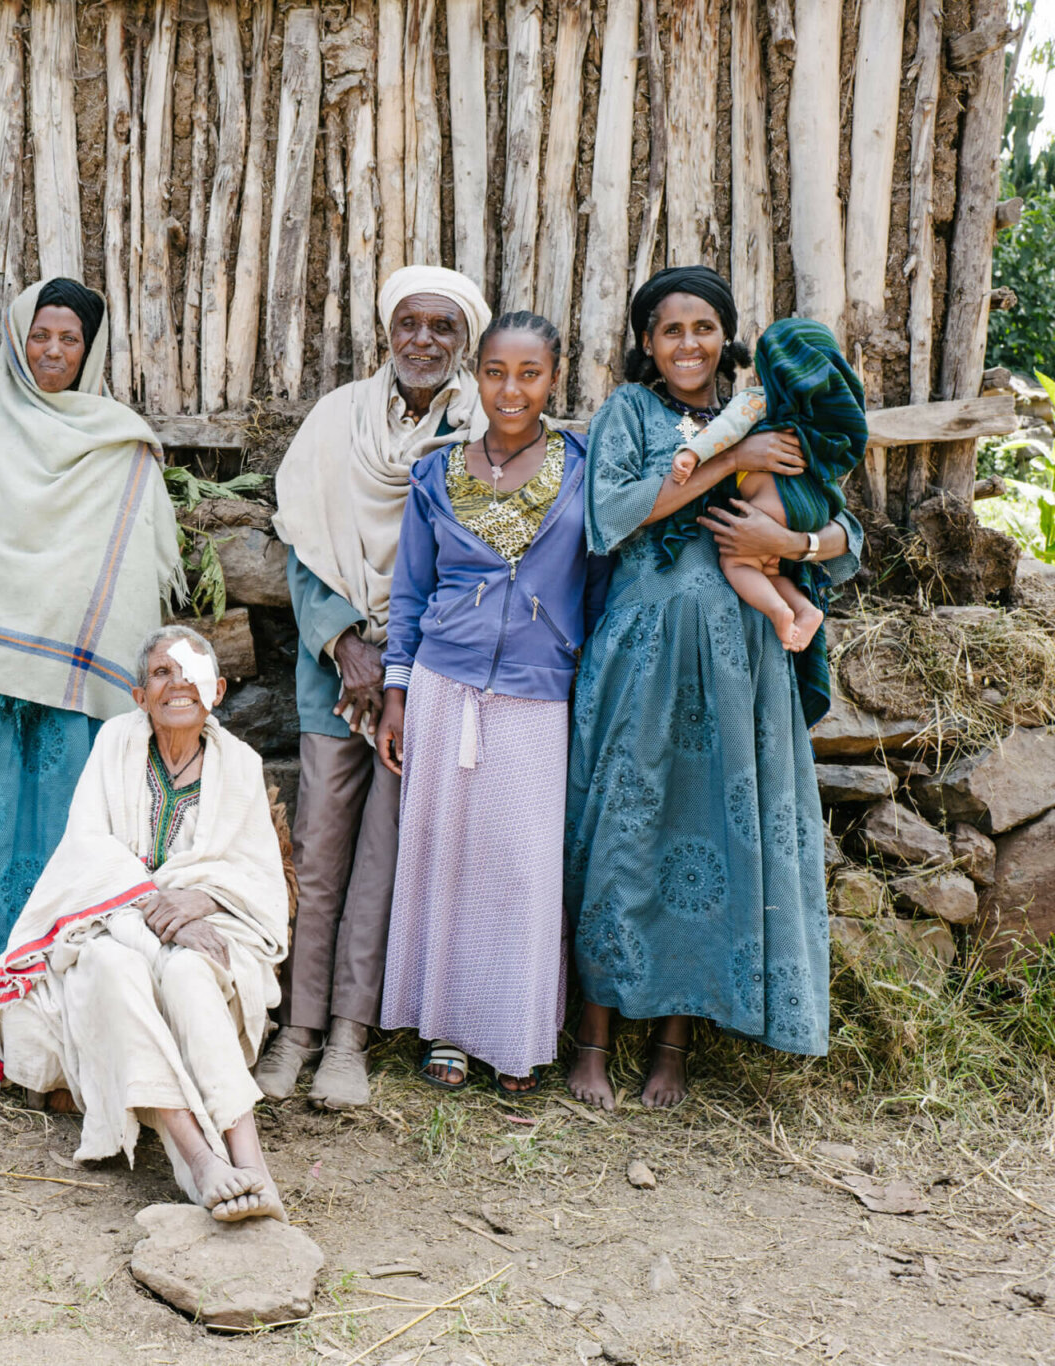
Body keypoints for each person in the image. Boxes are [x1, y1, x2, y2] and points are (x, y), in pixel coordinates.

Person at [566, 267, 864, 1108]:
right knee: (623, 833)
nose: (688, 344)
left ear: (726, 337)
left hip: (740, 665)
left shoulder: (772, 409)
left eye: (704, 328)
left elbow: (848, 531)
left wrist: (788, 541)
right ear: (648, 345)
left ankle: (673, 1046)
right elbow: (614, 513)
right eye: (669, 330)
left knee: (710, 840)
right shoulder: (629, 415)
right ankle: (591, 1039)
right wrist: (733, 460)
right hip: (641, 655)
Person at [0, 278, 184, 972]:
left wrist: (54, 615)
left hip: (70, 672)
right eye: (40, 335)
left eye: (70, 339)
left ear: (91, 350)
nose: (53, 351)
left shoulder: (120, 441)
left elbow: (125, 570)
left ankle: (58, 944)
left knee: (64, 809)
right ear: (19, 341)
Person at [256, 265, 493, 1108]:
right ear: (386, 332)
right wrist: (345, 645)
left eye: (442, 328)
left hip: (427, 677)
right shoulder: (337, 421)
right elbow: (304, 541)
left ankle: (351, 1040)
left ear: (463, 341)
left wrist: (399, 663)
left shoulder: (480, 430)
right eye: (409, 325)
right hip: (335, 675)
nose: (423, 342)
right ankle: (296, 1034)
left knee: (385, 861)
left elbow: (477, 566)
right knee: (319, 857)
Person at [0, 626, 291, 1222]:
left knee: (191, 974)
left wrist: (201, 901)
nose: (178, 682)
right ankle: (197, 1159)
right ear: (141, 697)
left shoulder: (240, 765)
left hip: (208, 925)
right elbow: (86, 848)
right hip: (116, 920)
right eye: (162, 673)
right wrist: (151, 904)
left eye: (191, 671)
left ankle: (252, 1162)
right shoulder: (116, 742)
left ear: (216, 690)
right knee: (113, 967)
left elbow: (257, 877)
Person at [372, 312, 610, 1095]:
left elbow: (600, 587)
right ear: (477, 375)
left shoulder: (582, 469)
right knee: (444, 859)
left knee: (520, 866)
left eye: (530, 374)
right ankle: (444, 1026)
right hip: (444, 686)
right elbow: (409, 593)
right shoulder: (436, 475)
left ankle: (512, 1031)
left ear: (555, 377)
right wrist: (398, 692)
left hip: (538, 695)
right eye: (498, 373)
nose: (513, 390)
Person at [665, 318, 867, 704]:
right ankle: (805, 609)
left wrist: (693, 453)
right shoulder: (828, 419)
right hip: (812, 509)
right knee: (772, 568)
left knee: (739, 564)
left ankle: (779, 611)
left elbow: (726, 428)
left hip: (771, 506)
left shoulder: (760, 402)